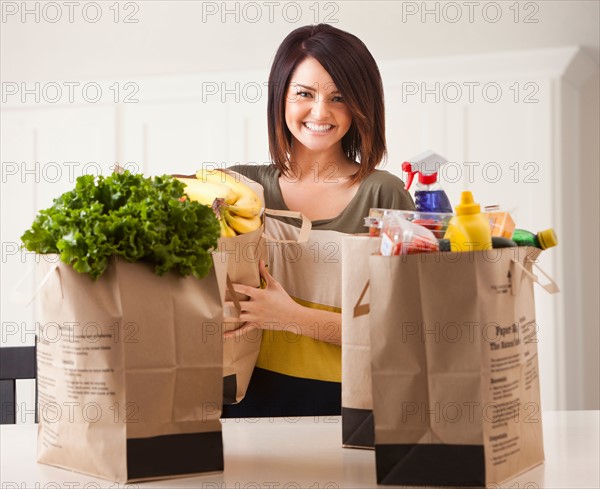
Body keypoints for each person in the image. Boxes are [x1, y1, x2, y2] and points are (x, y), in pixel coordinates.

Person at [221, 23, 414, 418]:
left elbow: (399, 333)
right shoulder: (238, 188)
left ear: (362, 105)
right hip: (243, 404)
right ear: (281, 99)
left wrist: (291, 318)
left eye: (339, 97)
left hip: (350, 410)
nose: (320, 112)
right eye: (304, 94)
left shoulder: (384, 195)